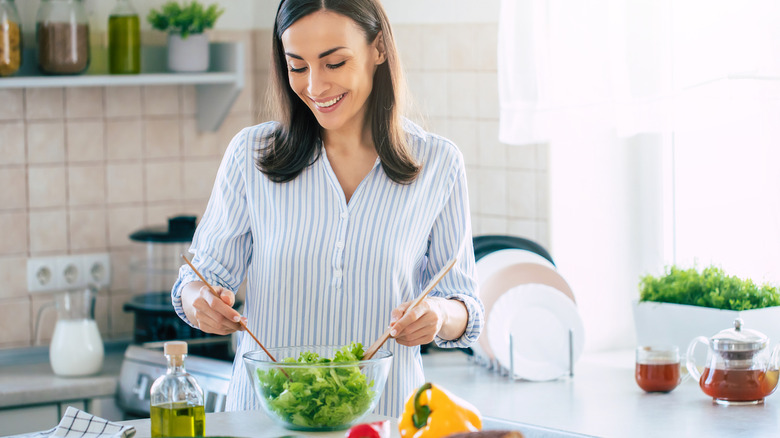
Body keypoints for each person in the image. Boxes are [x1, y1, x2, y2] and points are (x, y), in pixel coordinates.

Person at [172, 0, 484, 417]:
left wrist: (440, 314)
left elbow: (465, 305)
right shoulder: (251, 154)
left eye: (334, 63)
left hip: (382, 420)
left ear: (378, 50)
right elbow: (199, 281)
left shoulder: (438, 164)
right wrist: (201, 302)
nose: (315, 87)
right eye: (297, 67)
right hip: (266, 421)